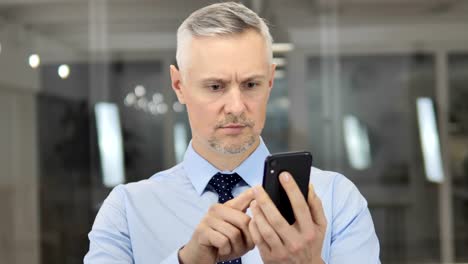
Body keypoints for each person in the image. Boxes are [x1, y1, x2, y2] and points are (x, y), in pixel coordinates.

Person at [84, 2, 380, 263]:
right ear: (179, 86)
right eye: (215, 87)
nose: (236, 107)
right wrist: (187, 262)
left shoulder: (336, 201)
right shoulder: (126, 210)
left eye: (251, 84)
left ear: (270, 82)